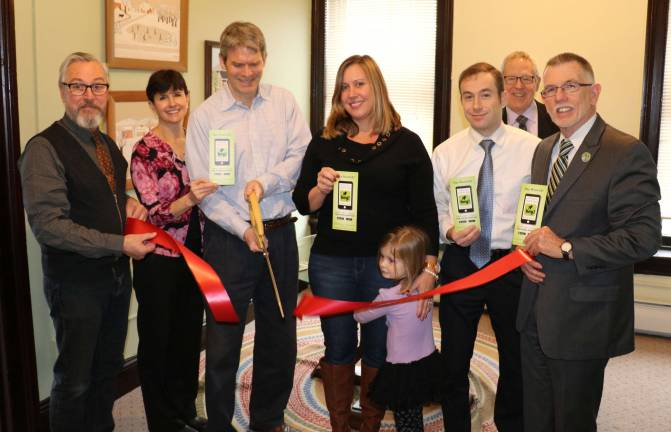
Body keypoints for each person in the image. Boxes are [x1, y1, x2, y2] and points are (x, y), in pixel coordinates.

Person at [293, 54, 439, 432]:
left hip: (388, 269)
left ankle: (371, 425)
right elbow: (301, 202)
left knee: (380, 349)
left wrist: (428, 268)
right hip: (332, 265)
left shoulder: (407, 145)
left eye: (359, 84)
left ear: (376, 87)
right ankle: (341, 426)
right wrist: (320, 190)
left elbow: (425, 213)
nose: (352, 93)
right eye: (344, 86)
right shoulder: (325, 143)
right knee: (338, 348)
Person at [517, 52, 661, 432]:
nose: (559, 97)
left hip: (583, 318)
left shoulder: (624, 151)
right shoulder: (544, 149)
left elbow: (643, 238)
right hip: (533, 308)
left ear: (594, 92)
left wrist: (566, 248)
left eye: (570, 86)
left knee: (572, 422)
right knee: (536, 419)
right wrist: (526, 252)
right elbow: (538, 222)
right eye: (549, 89)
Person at [19, 52, 155, 432]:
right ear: (62, 92)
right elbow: (50, 227)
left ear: (106, 93)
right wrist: (120, 244)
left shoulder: (105, 144)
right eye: (77, 86)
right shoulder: (43, 149)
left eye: (97, 86)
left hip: (113, 280)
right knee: (75, 381)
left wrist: (126, 202)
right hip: (75, 284)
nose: (88, 95)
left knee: (107, 369)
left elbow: (106, 194)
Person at [185, 21, 311, 432]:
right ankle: (220, 423)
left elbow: (300, 155)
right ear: (224, 63)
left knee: (280, 335)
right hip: (229, 241)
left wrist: (267, 181)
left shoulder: (284, 103)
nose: (246, 72)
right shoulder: (205, 117)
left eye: (254, 63)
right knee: (222, 342)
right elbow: (205, 191)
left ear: (264, 60)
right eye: (238, 64)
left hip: (279, 233)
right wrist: (242, 229)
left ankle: (267, 420)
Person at [432, 62, 540, 432]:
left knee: (515, 357)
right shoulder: (446, 153)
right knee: (454, 359)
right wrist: (449, 231)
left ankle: (511, 425)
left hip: (511, 263)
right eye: (467, 96)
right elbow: (438, 207)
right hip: (463, 261)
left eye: (485, 95)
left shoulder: (533, 150)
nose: (476, 105)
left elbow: (544, 205)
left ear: (503, 96)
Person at [130, 70, 217, 432]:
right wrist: (189, 198)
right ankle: (162, 421)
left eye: (178, 94)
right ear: (152, 104)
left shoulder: (199, 141)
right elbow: (153, 214)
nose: (172, 103)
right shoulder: (144, 151)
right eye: (163, 97)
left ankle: (184, 409)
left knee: (186, 338)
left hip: (196, 256)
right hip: (160, 258)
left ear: (187, 96)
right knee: (158, 342)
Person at [354, 226, 445, 432]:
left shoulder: (388, 296)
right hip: (426, 363)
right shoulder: (428, 288)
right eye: (382, 257)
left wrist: (353, 305)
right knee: (414, 416)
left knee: (406, 422)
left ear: (411, 262)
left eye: (391, 260)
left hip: (402, 371)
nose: (382, 264)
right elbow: (434, 269)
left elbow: (360, 316)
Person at [501, 51, 559, 138]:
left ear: (537, 83)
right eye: (511, 78)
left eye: (526, 78)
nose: (518, 86)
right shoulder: (491, 125)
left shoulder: (557, 120)